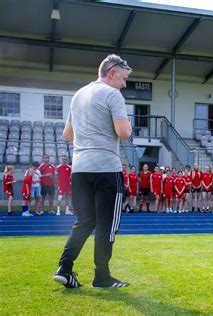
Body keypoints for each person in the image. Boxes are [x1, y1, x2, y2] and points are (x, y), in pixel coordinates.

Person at [54, 54, 132, 288]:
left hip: (80, 168)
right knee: (107, 224)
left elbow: (67, 135)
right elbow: (124, 132)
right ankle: (102, 276)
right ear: (111, 73)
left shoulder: (79, 95)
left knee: (85, 221)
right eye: (124, 78)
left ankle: (65, 268)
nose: (124, 84)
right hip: (105, 167)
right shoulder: (112, 94)